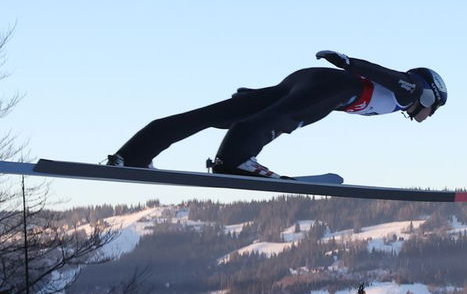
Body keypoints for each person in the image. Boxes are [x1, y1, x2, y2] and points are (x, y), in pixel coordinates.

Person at [107, 50, 447, 179]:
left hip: (309, 81)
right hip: (334, 86)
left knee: (221, 113)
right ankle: (235, 160)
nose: (429, 115)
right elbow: (386, 74)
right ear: (429, 94)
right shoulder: (409, 90)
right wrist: (348, 62)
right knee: (283, 119)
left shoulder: (401, 98)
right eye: (435, 108)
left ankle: (133, 154)